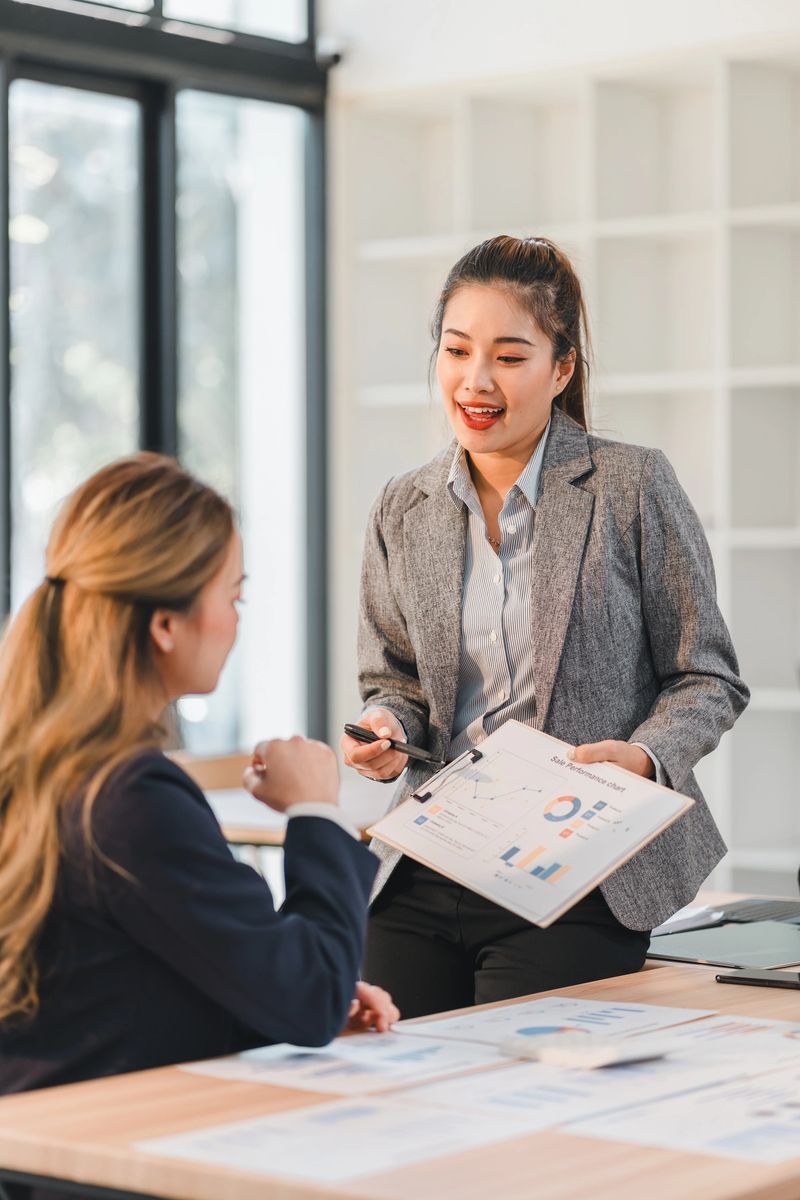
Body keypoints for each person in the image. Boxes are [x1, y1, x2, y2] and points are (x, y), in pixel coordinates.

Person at [341, 234, 749, 1019]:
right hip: (430, 857)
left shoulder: (630, 485)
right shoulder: (405, 504)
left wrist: (643, 756)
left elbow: (707, 676)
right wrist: (386, 727)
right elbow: (393, 677)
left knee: (521, 1097)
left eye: (509, 356)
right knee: (391, 1080)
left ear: (562, 369)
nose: (476, 380)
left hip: (577, 868)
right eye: (457, 351)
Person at [0, 453, 396, 1096]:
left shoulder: (46, 769)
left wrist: (263, 997)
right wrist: (315, 813)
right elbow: (311, 997)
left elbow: (105, 996)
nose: (238, 620)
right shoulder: (131, 799)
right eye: (233, 596)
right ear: (164, 624)